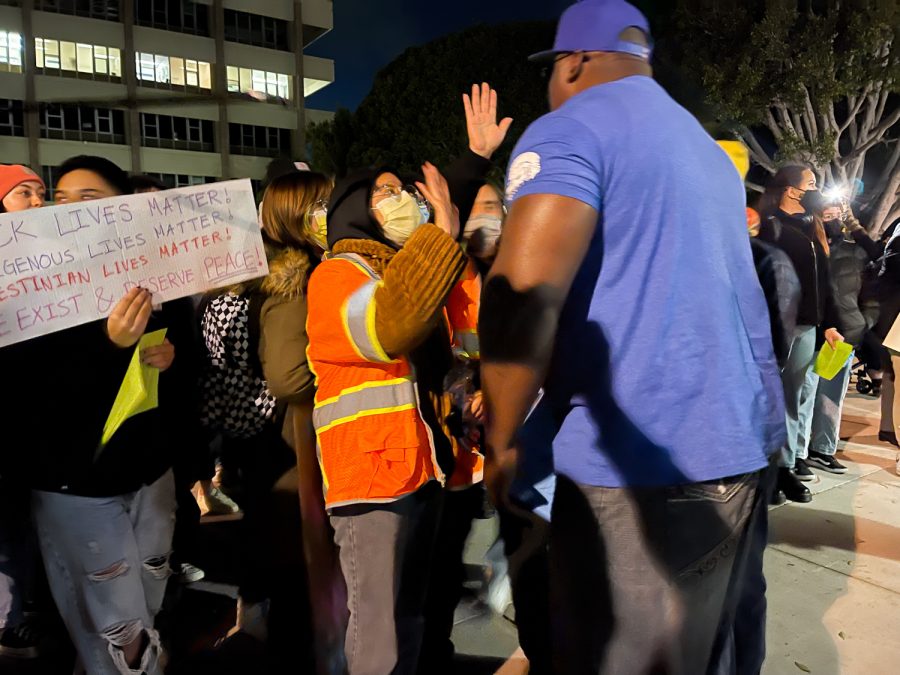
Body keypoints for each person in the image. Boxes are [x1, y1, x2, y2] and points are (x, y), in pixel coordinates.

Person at [479, 3, 785, 674]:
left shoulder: (569, 130)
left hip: (641, 471)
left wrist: (499, 440)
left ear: (575, 61)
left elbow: (520, 302)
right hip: (740, 448)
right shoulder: (702, 149)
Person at [0, 155, 196, 675]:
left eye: (89, 201)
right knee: (119, 631)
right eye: (60, 201)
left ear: (124, 209)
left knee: (149, 594)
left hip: (150, 476)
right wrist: (109, 347)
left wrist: (171, 360)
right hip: (75, 486)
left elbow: (190, 378)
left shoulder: (159, 284)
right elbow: (33, 399)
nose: (68, 212)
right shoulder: (26, 291)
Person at [757, 166, 845, 501]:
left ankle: (783, 469)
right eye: (811, 184)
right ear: (791, 190)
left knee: (793, 400)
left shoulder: (813, 226)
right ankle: (760, 471)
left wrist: (831, 324)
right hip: (771, 326)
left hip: (807, 327)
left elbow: (825, 283)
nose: (817, 189)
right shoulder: (766, 225)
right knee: (768, 397)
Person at [0, 165, 46, 660]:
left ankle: (24, 612)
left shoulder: (54, 261)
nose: (37, 201)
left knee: (24, 521)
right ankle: (10, 620)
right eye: (23, 193)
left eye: (40, 192)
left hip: (34, 419)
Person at [805, 200, 881, 474]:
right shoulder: (810, 246)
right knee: (805, 395)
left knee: (831, 395)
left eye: (836, 212)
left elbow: (876, 258)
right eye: (826, 211)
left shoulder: (855, 251)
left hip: (844, 336)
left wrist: (865, 321)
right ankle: (799, 453)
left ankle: (822, 450)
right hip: (813, 332)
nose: (832, 216)